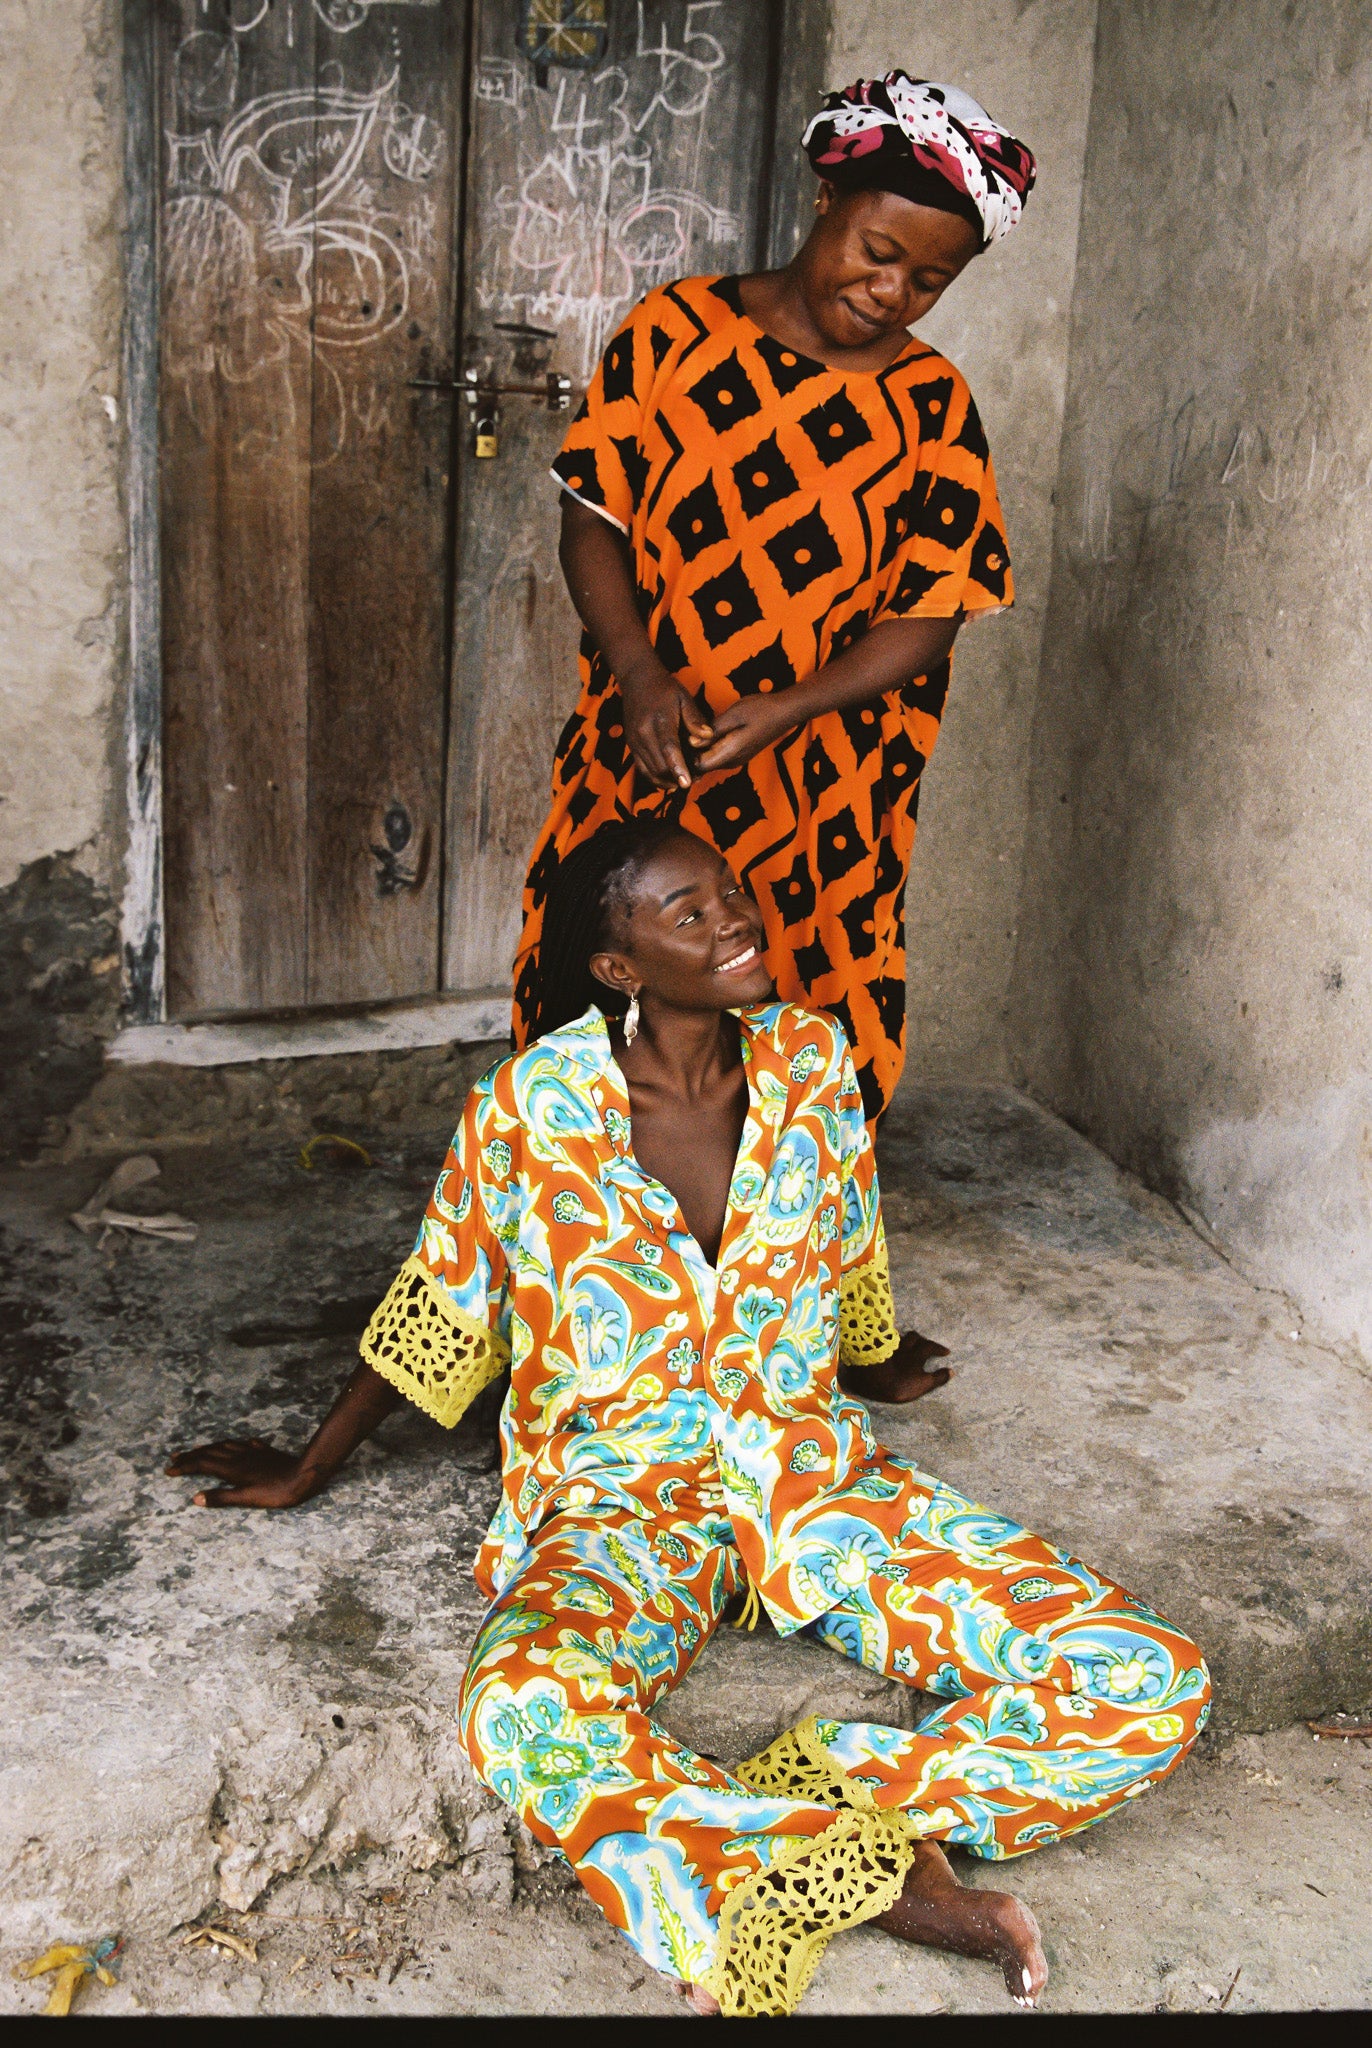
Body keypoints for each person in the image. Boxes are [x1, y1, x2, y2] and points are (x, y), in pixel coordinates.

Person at [168, 821, 1211, 2020]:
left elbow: (845, 1248)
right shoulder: (531, 1107)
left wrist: (873, 1361)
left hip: (810, 1488)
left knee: (1153, 1677)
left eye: (729, 894)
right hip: (623, 1510)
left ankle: (843, 1796)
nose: (735, 921)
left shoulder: (814, 1063)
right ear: (619, 966)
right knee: (519, 1702)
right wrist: (309, 1464)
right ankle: (854, 1873)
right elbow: (447, 1305)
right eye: (689, 912)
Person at [513, 73, 1037, 1127]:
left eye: (928, 281)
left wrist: (794, 706)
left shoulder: (932, 406)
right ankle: (591, 1229)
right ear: (822, 203)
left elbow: (932, 610)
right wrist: (639, 675)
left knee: (809, 993)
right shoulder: (674, 333)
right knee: (599, 971)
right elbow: (594, 521)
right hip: (649, 740)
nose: (891, 291)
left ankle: (779, 1239)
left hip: (823, 782)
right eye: (877, 252)